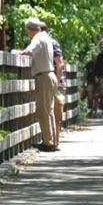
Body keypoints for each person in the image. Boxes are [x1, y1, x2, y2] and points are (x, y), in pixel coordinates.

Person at [19, 17, 58, 152]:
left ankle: (48, 142)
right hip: (50, 75)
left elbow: (30, 51)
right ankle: (52, 140)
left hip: (43, 77)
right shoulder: (46, 36)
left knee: (43, 111)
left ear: (30, 30)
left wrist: (19, 53)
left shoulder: (37, 38)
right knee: (50, 110)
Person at [41, 22, 66, 148]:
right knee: (49, 111)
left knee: (56, 112)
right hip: (51, 82)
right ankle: (52, 142)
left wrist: (57, 81)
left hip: (57, 83)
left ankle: (56, 142)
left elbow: (59, 64)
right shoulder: (41, 44)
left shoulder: (52, 43)